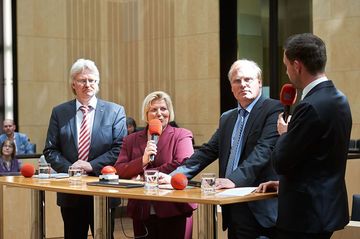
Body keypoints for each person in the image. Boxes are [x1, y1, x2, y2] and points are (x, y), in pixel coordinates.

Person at [160, 59, 282, 239]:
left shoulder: (273, 109)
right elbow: (208, 151)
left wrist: (233, 179)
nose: (243, 85)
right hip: (231, 205)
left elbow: (264, 150)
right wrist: (175, 177)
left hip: (259, 206)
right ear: (231, 87)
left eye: (248, 79)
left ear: (259, 82)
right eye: (237, 81)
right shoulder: (227, 117)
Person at [256, 33, 352, 239]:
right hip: (328, 209)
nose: (286, 71)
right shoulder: (340, 99)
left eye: (286, 65)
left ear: (297, 66)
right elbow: (319, 158)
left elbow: (281, 162)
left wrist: (283, 134)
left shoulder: (309, 106)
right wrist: (285, 184)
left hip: (305, 217)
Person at [43, 58, 127, 239]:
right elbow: (50, 150)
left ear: (97, 83)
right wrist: (71, 169)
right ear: (73, 84)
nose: (87, 84)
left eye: (92, 80)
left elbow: (120, 148)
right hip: (71, 191)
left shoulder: (115, 111)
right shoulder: (59, 112)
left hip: (103, 187)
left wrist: (91, 165)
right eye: (82, 80)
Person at [114, 91, 196, 239]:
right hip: (141, 211)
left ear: (169, 113)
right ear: (146, 115)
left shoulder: (181, 135)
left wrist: (144, 175)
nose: (159, 113)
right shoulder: (130, 140)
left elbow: (182, 163)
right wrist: (142, 161)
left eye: (163, 109)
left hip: (174, 209)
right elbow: (119, 169)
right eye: (153, 110)